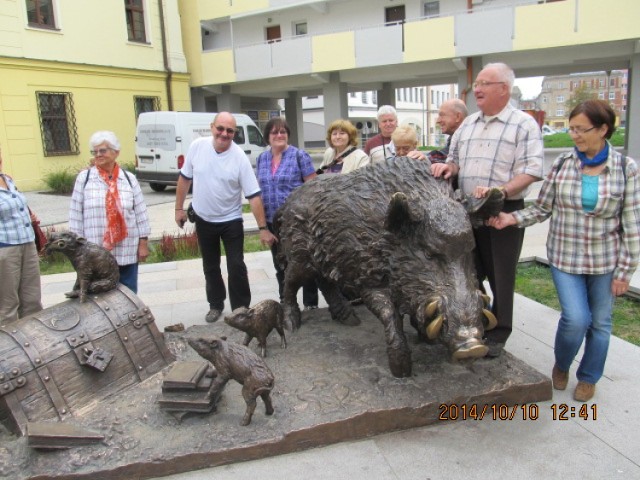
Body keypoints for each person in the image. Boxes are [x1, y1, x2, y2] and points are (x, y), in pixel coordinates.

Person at [486, 100, 640, 402]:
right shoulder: (563, 164)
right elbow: (542, 208)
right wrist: (510, 219)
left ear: (603, 129)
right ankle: (562, 362)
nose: (574, 135)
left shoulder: (626, 168)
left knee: (601, 323)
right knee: (575, 319)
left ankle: (589, 377)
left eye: (581, 129)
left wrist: (625, 271)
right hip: (565, 257)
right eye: (571, 129)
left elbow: (632, 224)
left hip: (605, 261)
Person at [431, 62, 544, 357]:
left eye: (484, 83)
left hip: (501, 209)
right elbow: (454, 159)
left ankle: (500, 331)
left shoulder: (523, 124)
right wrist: (447, 167)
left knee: (500, 274)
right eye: (476, 84)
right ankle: (474, 323)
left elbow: (531, 170)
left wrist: (501, 191)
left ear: (503, 89)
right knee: (469, 271)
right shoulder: (467, 124)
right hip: (467, 209)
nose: (476, 89)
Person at [175, 112, 276, 323]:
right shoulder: (197, 147)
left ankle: (240, 307)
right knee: (210, 266)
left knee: (236, 265)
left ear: (234, 133)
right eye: (220, 128)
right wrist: (178, 208)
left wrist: (263, 228)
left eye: (229, 130)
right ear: (212, 127)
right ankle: (215, 304)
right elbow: (184, 179)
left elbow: (254, 196)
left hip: (230, 220)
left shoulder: (239, 157)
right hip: (204, 219)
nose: (224, 134)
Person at [70, 131, 151, 294]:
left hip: (126, 248)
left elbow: (140, 213)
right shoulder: (84, 179)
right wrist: (76, 249)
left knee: (128, 294)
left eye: (103, 150)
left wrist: (143, 243)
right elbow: (75, 215)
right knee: (98, 296)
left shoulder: (128, 179)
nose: (98, 155)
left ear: (116, 152)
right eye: (95, 151)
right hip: (95, 252)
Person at [256, 117, 319, 310]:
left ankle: (310, 303)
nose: (279, 135)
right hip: (273, 222)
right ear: (268, 136)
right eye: (274, 132)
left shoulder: (300, 156)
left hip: (297, 222)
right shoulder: (261, 159)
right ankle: (287, 301)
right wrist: (263, 227)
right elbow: (258, 191)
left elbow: (314, 188)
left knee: (305, 262)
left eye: (283, 131)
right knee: (280, 264)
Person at [0, 147, 43, 322]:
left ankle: (35, 342)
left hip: (27, 243)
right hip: (5, 249)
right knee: (7, 304)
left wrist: (27, 214)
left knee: (32, 300)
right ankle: (7, 348)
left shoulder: (7, 179)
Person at [428, 99, 468, 164]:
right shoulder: (453, 139)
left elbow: (445, 157)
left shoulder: (467, 142)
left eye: (442, 115)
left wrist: (424, 159)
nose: (438, 121)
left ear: (458, 117)